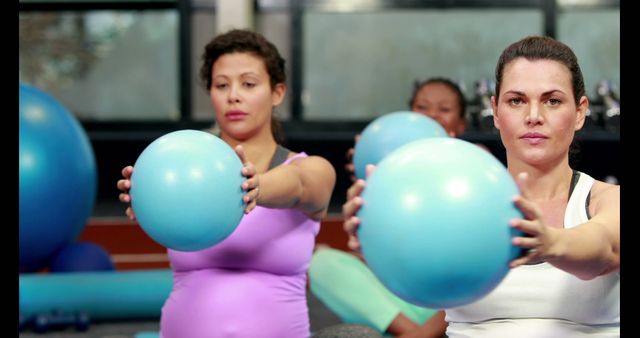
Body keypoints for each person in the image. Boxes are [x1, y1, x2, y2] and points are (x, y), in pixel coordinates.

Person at [343, 35, 619, 337]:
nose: (534, 117)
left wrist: (549, 243)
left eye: (552, 101)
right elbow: (418, 278)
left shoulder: (606, 199)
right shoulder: (452, 202)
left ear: (580, 112)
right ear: (496, 111)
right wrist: (377, 235)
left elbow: (604, 249)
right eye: (516, 101)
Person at [117, 29, 336, 338]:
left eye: (248, 84)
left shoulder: (310, 167)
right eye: (221, 85)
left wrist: (255, 186)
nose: (234, 95)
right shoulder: (184, 173)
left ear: (277, 92)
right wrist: (148, 199)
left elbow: (300, 185)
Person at [310, 77, 469, 338]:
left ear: (459, 125)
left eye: (444, 109)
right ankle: (413, 333)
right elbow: (385, 253)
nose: (432, 116)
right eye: (423, 107)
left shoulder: (474, 174)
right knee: (323, 262)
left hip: (452, 301)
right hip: (403, 294)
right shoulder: (392, 174)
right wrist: (366, 186)